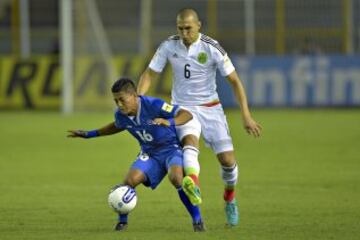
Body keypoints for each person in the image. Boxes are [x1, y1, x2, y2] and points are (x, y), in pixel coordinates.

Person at [137, 8, 262, 226]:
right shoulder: (168, 46)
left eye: (188, 28)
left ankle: (229, 198)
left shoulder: (211, 48)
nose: (184, 33)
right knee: (189, 143)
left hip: (210, 107)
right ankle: (192, 183)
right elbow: (149, 74)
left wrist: (246, 116)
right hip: (183, 108)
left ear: (198, 26)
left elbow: (235, 81)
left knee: (228, 161)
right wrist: (139, 102)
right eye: (180, 28)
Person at [68, 78, 205, 232]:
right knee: (129, 181)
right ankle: (122, 223)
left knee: (176, 178)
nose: (119, 104)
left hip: (171, 149)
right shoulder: (121, 115)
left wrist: (170, 122)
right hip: (150, 153)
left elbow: (186, 115)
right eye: (116, 101)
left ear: (134, 95)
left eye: (122, 99)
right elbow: (116, 126)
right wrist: (89, 134)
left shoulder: (154, 105)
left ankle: (197, 220)